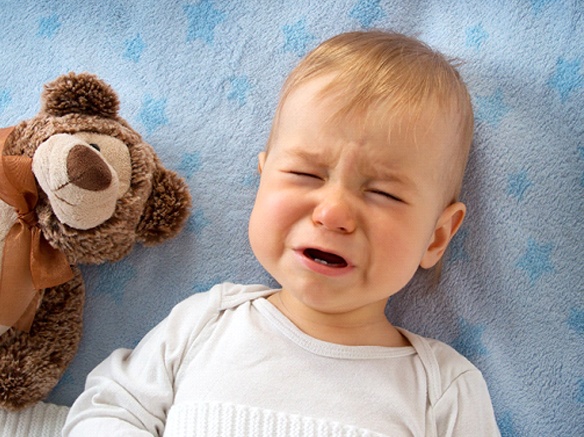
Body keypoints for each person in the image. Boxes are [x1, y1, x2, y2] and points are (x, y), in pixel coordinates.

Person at [63, 31, 500, 436]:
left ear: (437, 237)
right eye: (305, 173)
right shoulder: (205, 324)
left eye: (383, 193)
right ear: (263, 179)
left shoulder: (442, 391)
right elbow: (109, 409)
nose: (332, 213)